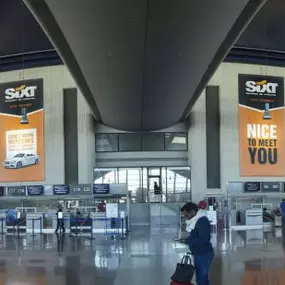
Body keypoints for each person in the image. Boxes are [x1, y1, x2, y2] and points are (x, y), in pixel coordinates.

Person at [181, 202, 214, 285]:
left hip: (204, 253)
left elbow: (204, 239)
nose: (185, 217)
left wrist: (189, 241)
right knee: (200, 278)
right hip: (199, 252)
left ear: (192, 211)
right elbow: (197, 235)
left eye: (186, 215)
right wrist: (187, 239)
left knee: (202, 279)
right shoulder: (195, 221)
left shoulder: (202, 221)